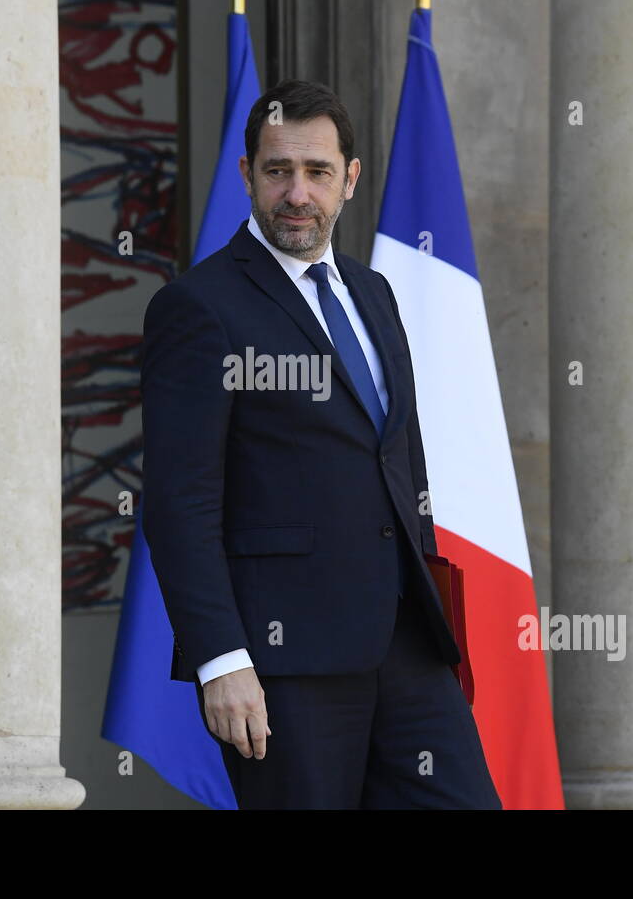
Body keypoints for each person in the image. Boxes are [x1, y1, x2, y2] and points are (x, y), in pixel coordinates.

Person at [140, 79, 500, 809]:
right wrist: (221, 660)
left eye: (317, 173)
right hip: (283, 665)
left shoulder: (374, 294)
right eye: (277, 171)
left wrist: (438, 615)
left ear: (350, 180)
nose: (296, 193)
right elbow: (181, 502)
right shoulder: (199, 308)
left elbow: (402, 463)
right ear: (247, 174)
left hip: (406, 648)